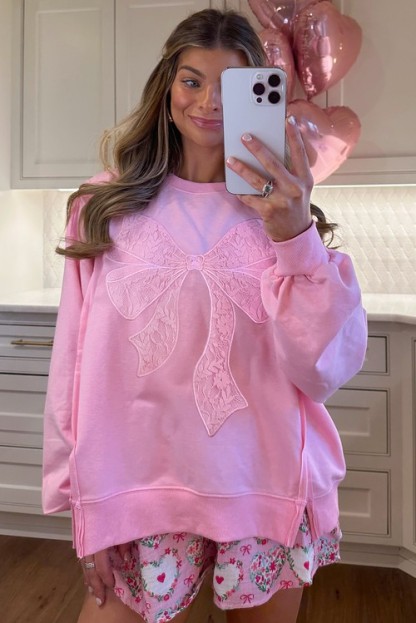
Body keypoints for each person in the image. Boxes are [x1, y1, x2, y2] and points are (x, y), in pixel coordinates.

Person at [42, 8, 367, 623]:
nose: (209, 102)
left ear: (262, 96)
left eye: (233, 86)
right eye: (192, 80)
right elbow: (73, 369)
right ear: (166, 89)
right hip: (138, 489)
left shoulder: (283, 212)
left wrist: (295, 235)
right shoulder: (102, 207)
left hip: (264, 485)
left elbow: (323, 368)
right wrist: (82, 502)